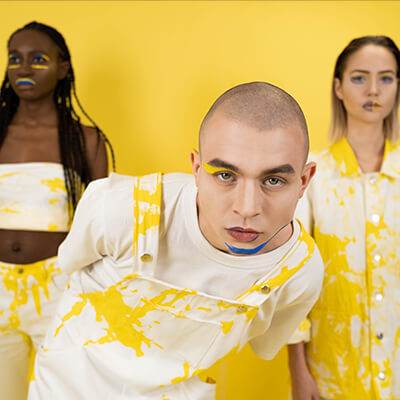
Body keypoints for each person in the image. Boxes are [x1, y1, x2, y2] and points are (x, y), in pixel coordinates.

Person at [29, 81, 323, 400]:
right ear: (196, 169)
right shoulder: (121, 209)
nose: (247, 208)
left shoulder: (299, 271)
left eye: (273, 180)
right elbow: (69, 264)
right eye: (226, 175)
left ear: (304, 181)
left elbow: (265, 344)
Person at [0, 21, 114, 400]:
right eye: (15, 58)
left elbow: (102, 227)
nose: (24, 68)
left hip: (58, 286)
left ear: (63, 68)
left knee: (65, 392)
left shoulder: (85, 140)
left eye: (39, 59)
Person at [288, 36, 400, 400]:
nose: (373, 90)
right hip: (332, 375)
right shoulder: (313, 177)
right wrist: (299, 373)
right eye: (359, 77)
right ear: (338, 87)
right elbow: (294, 280)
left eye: (386, 78)